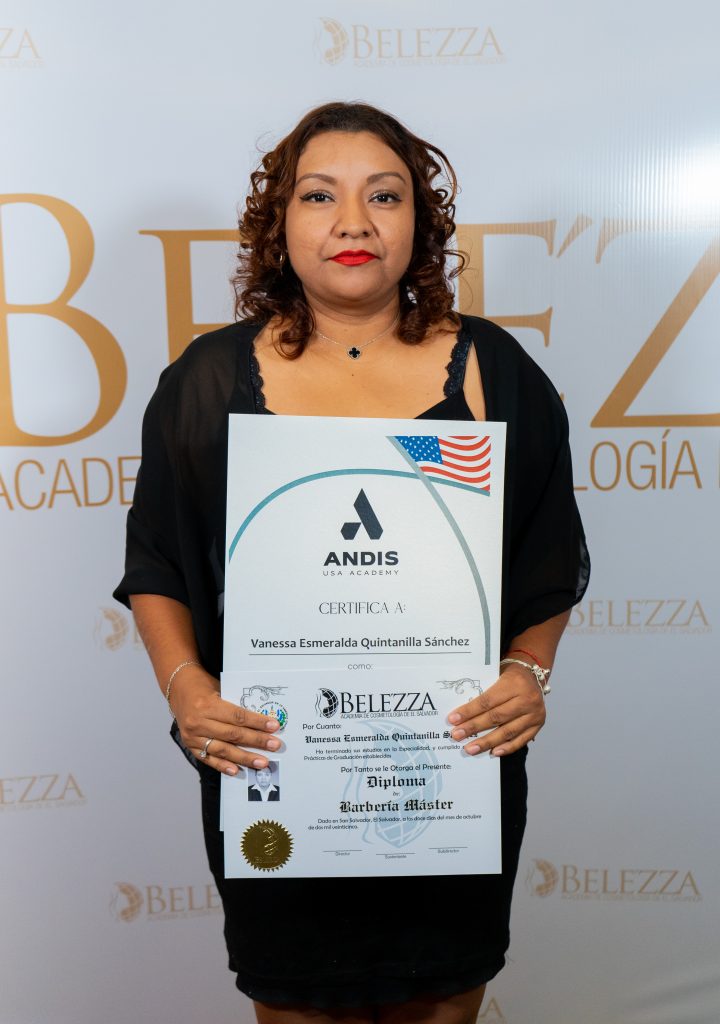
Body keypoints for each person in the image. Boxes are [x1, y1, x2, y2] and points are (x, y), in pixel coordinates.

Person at [115, 101, 589, 1024]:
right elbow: (158, 562)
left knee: (444, 1001)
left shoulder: (495, 369)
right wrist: (186, 689)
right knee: (296, 1004)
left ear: (421, 221)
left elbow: (547, 549)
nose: (353, 222)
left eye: (385, 195)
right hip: (279, 761)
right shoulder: (206, 380)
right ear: (280, 222)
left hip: (451, 761)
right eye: (319, 195)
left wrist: (528, 672)